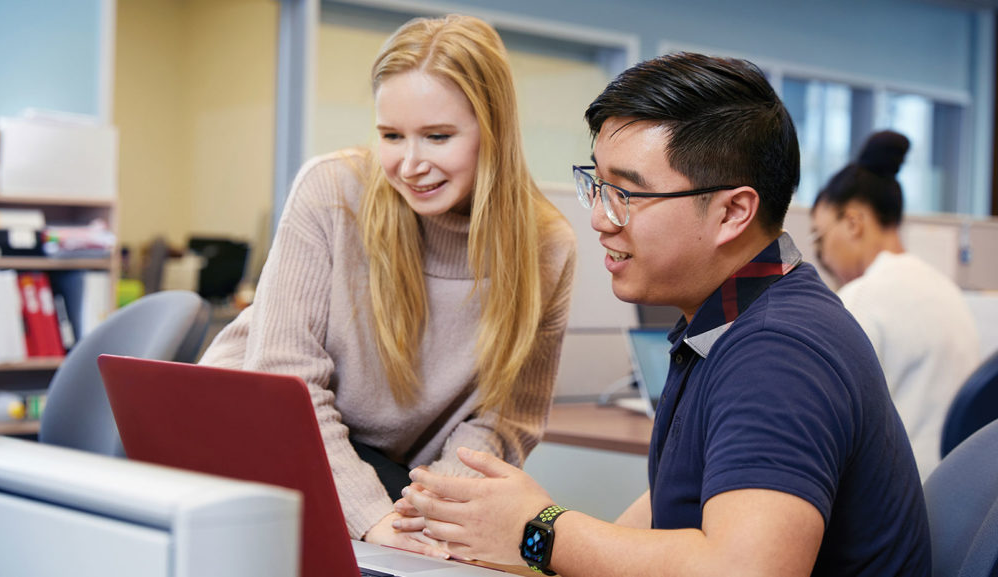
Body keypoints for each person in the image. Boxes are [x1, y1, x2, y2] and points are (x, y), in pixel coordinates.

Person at [399, 52, 930, 576]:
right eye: (598, 186)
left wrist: (538, 531)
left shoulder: (777, 352)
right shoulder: (727, 322)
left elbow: (745, 570)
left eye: (626, 193)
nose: (600, 219)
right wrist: (518, 539)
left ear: (733, 212)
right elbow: (659, 518)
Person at [199, 13, 576, 556]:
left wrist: (430, 516)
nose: (411, 164)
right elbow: (286, 382)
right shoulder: (332, 190)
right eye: (391, 136)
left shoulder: (548, 247)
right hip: (248, 435)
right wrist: (372, 517)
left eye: (438, 136)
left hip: (387, 473)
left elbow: (500, 421)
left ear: (493, 130)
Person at [810, 130, 980, 478]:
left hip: (902, 501)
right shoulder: (946, 289)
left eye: (820, 237)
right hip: (959, 492)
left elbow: (827, 426)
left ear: (853, 223)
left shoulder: (862, 298)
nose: (822, 256)